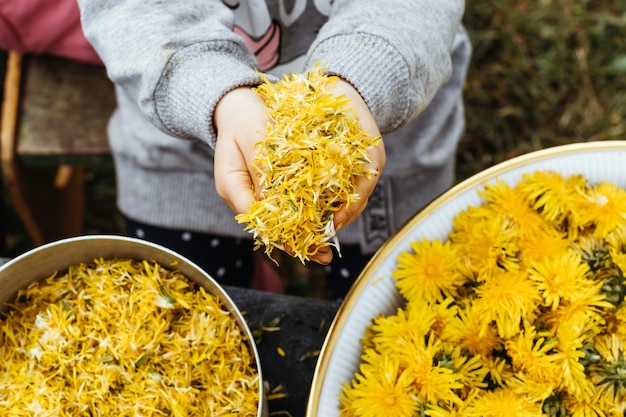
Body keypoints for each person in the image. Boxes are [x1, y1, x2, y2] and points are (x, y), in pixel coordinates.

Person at [76, 0, 472, 299]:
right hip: (183, 151)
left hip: (380, 137)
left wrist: (362, 75)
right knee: (197, 313)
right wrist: (216, 94)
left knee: (390, 307)